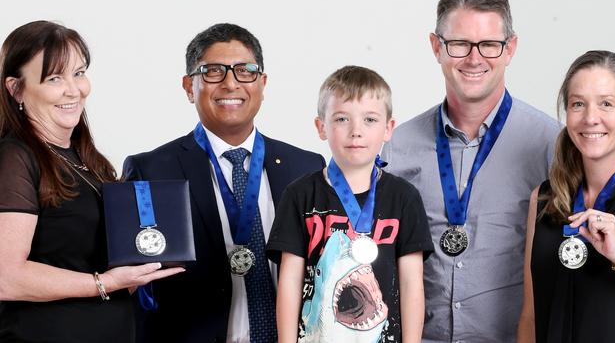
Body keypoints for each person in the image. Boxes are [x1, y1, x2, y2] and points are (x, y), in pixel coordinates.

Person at [122, 22, 325, 343]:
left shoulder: (307, 166)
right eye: (213, 71)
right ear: (189, 86)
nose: (231, 83)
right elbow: (134, 283)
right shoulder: (152, 170)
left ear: (262, 83)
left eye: (245, 71)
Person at [380, 0, 561, 342]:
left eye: (489, 45)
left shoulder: (551, 146)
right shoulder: (393, 147)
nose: (474, 59)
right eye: (460, 44)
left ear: (510, 49)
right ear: (437, 47)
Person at [0, 21, 183, 343]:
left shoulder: (86, 159)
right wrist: (105, 283)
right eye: (54, 78)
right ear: (16, 88)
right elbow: (6, 277)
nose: (73, 89)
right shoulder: (14, 158)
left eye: (79, 72)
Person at [267, 65, 434, 342]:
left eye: (369, 120)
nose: (356, 131)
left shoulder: (404, 197)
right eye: (342, 119)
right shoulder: (299, 194)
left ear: (388, 128)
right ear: (321, 127)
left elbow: (411, 284)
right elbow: (290, 283)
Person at [517, 50, 615, 342]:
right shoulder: (542, 198)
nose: (591, 118)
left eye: (606, 104)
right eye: (578, 104)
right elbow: (530, 315)